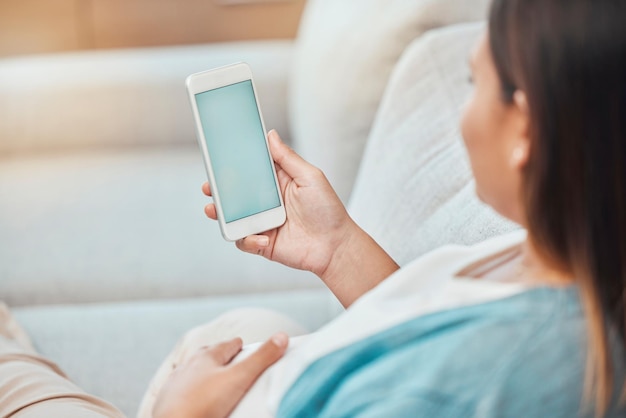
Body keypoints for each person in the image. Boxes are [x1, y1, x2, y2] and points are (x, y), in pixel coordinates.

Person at [140, 0, 626, 417]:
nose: (462, 113)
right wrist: (336, 248)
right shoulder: (564, 252)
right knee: (253, 325)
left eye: (471, 83)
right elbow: (425, 340)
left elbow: (439, 374)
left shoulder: (510, 366)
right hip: (283, 370)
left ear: (525, 130)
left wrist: (179, 410)